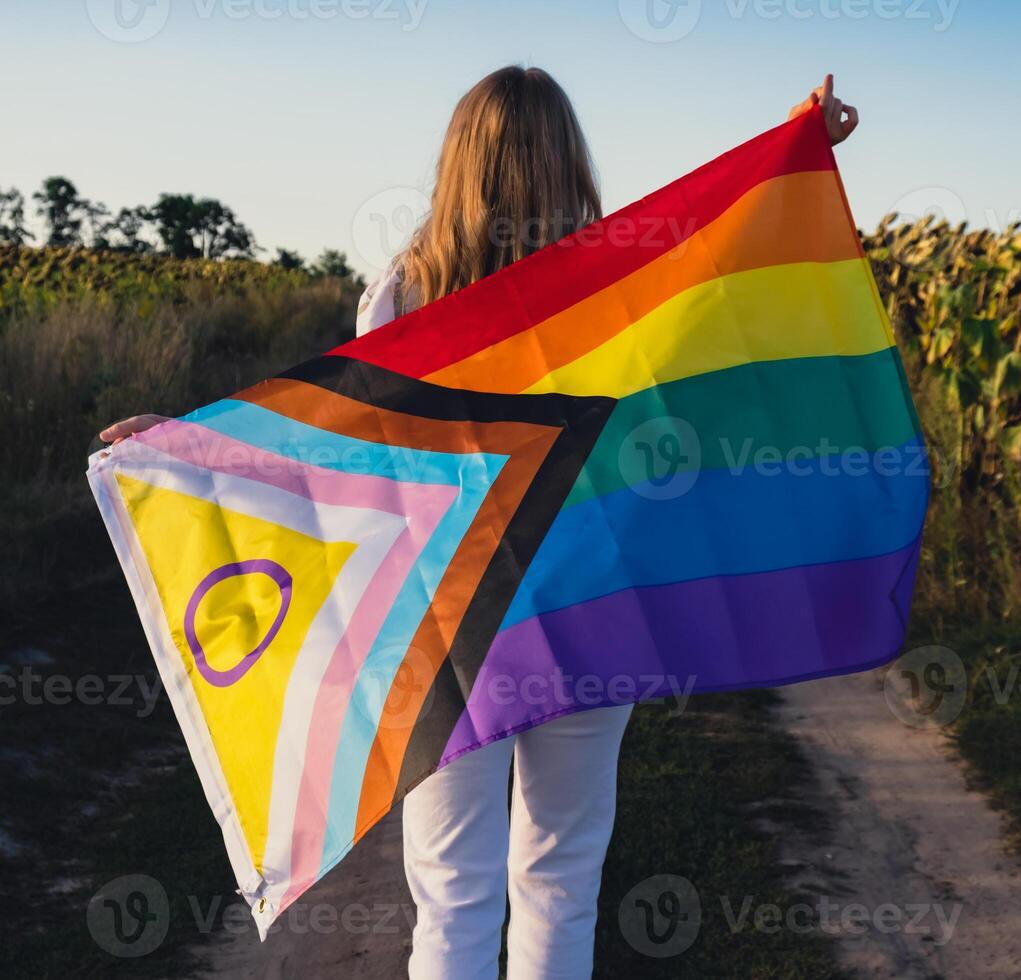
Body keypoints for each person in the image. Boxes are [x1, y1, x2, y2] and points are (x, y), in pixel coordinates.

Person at [100, 66, 858, 979]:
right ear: (568, 159)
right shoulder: (619, 285)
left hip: (454, 622)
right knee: (563, 877)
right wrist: (797, 149)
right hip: (592, 613)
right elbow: (722, 284)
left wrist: (194, 447)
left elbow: (342, 449)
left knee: (453, 891)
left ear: (460, 162)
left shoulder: (404, 295)